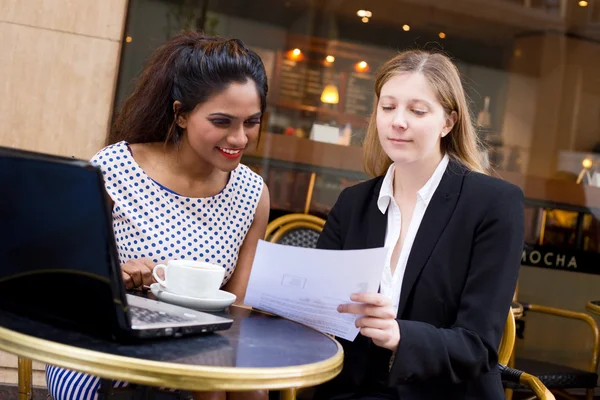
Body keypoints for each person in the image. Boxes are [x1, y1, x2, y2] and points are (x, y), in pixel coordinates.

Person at [45, 31, 270, 400]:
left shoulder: (252, 194)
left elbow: (238, 307)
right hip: (102, 341)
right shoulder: (115, 167)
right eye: (222, 121)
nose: (240, 138)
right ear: (180, 114)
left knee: (244, 391)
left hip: (196, 351)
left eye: (251, 122)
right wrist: (115, 278)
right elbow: (65, 279)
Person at [314, 50, 524, 399]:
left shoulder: (494, 204)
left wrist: (399, 335)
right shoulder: (352, 204)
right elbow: (322, 313)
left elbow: (478, 346)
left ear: (448, 122)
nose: (398, 121)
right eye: (388, 107)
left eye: (417, 110)